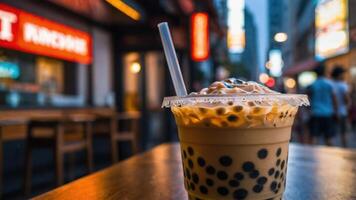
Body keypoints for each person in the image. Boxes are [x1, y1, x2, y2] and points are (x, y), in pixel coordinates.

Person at [307, 63, 338, 146]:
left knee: (314, 138)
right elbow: (334, 99)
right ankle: (329, 156)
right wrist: (336, 111)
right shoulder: (329, 84)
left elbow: (308, 100)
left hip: (316, 113)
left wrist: (309, 110)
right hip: (328, 113)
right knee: (329, 139)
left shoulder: (312, 85)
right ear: (324, 72)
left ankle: (312, 157)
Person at [331, 66, 350, 147]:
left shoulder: (330, 84)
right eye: (342, 73)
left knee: (332, 134)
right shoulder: (343, 85)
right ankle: (344, 148)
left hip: (331, 112)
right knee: (343, 133)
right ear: (339, 75)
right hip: (342, 112)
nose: (344, 75)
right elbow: (346, 100)